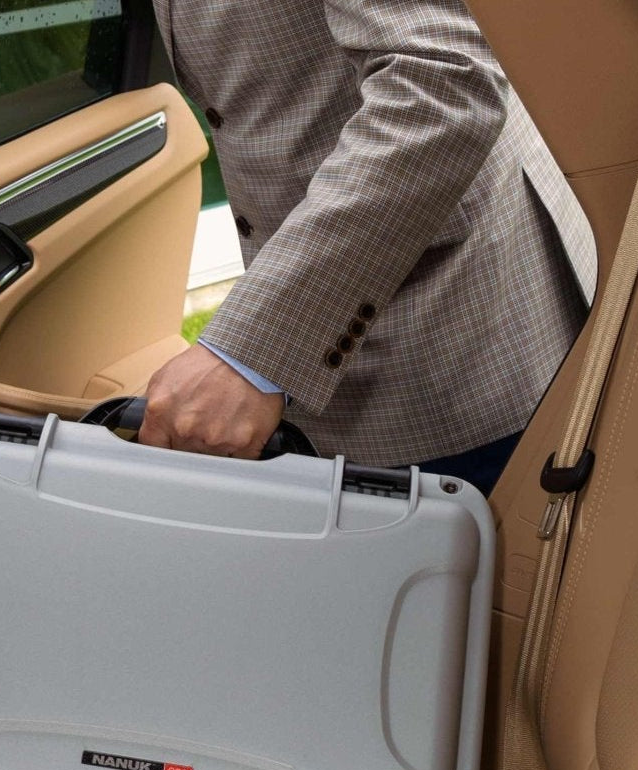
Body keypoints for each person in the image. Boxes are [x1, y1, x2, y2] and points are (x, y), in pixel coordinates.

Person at [141, 0, 596, 495]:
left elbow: (441, 79)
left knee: (506, 567)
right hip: (339, 343)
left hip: (452, 327)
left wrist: (254, 353)